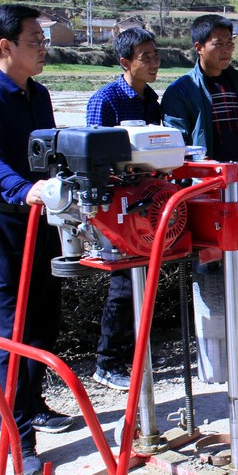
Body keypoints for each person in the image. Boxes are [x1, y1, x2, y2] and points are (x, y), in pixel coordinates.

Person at [0, 4, 73, 475]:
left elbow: (50, 153)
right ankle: (17, 437)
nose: (43, 48)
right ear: (5, 46)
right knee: (12, 330)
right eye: (35, 41)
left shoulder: (38, 94)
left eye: (44, 41)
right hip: (3, 221)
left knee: (45, 320)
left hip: (41, 217)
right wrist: (22, 189)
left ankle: (33, 404)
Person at [161, 14, 238, 360]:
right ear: (198, 47)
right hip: (205, 193)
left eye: (230, 43)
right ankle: (214, 347)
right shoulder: (181, 91)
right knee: (209, 269)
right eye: (218, 43)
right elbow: (178, 148)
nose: (227, 49)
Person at [86, 27, 166, 391]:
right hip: (113, 204)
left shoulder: (151, 100)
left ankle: (135, 353)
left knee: (144, 280)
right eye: (145, 57)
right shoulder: (106, 101)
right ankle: (108, 362)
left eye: (155, 55)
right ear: (124, 62)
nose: (154, 62)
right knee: (123, 283)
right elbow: (91, 156)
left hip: (143, 200)